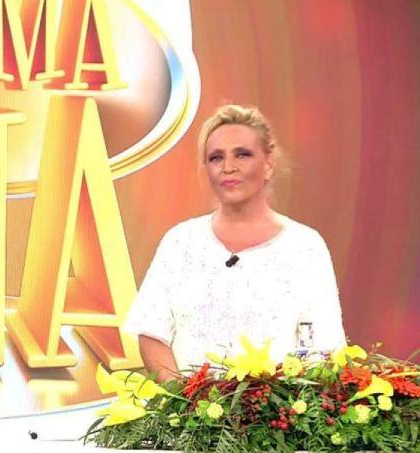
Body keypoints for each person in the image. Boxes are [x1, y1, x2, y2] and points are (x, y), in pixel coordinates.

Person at [123, 104, 346, 377]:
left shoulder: (305, 246)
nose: (228, 167)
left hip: (277, 404)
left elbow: (325, 350)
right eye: (216, 158)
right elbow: (151, 334)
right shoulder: (180, 242)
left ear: (268, 164)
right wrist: (181, 398)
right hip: (186, 402)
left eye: (242, 155)